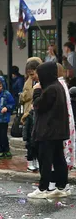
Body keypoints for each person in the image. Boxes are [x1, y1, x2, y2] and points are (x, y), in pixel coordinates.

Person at [27, 62, 71, 199]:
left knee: (45, 160)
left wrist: (37, 91)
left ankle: (43, 188)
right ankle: (61, 186)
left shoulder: (50, 89)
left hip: (47, 131)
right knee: (58, 159)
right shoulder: (58, 86)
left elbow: (38, 105)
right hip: (56, 131)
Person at [21, 58, 42, 172]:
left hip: (35, 113)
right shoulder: (28, 81)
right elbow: (25, 96)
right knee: (29, 140)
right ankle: (30, 161)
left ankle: (37, 160)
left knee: (36, 140)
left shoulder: (41, 82)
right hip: (28, 112)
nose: (32, 75)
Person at [0, 77, 15, 159]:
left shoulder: (7, 94)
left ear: (3, 85)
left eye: (0, 86)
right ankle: (0, 150)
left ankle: (6, 150)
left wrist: (7, 108)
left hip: (3, 119)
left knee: (3, 135)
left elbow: (12, 104)